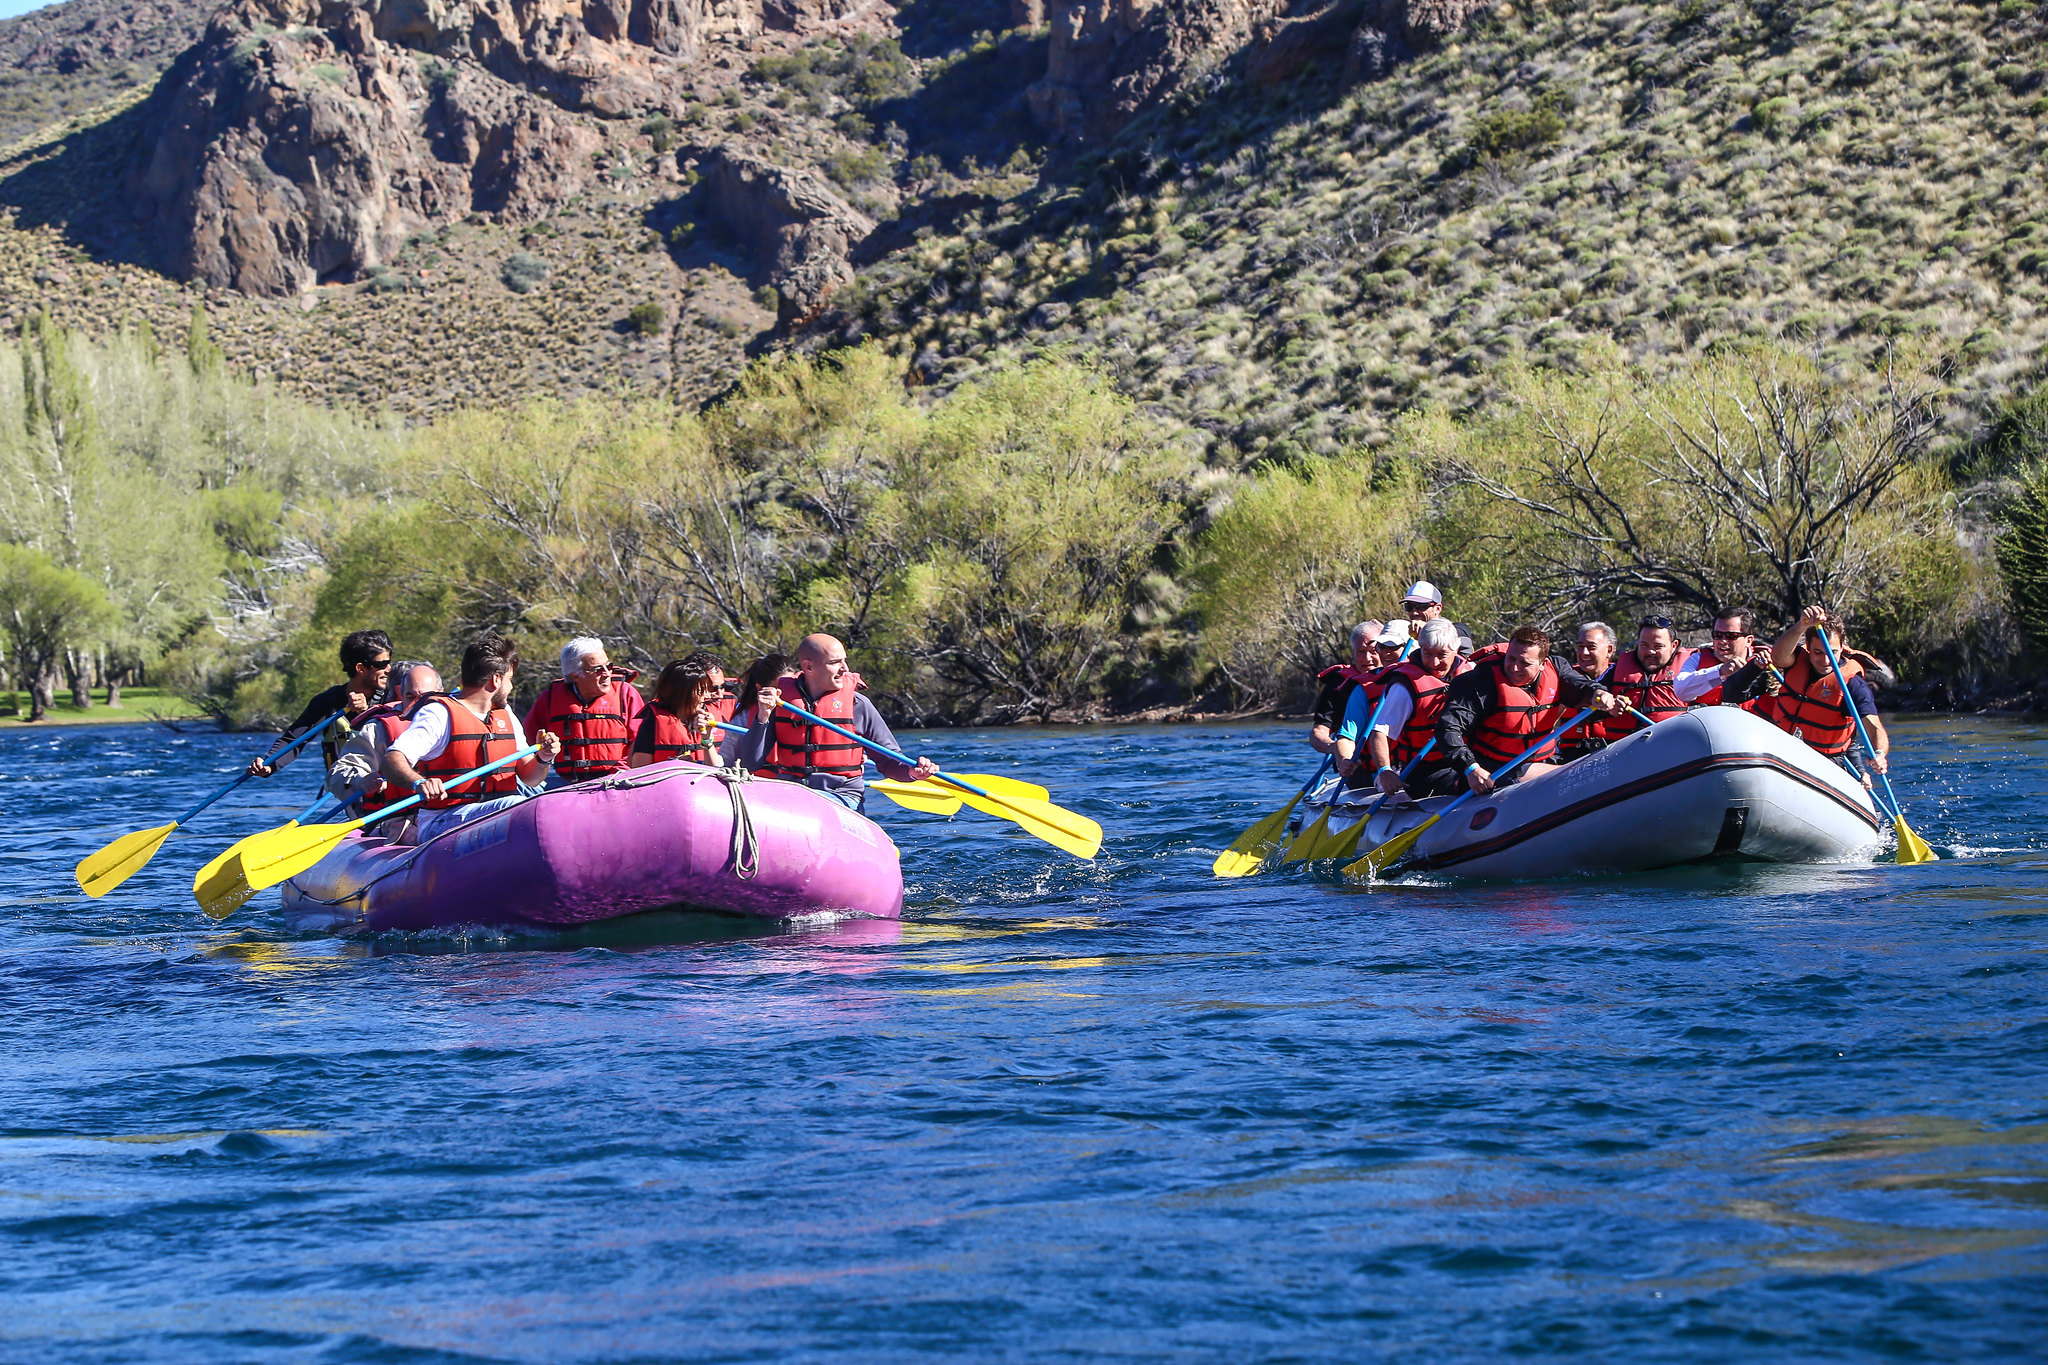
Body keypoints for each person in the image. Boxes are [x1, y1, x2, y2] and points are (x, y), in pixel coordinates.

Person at [382, 633, 560, 842]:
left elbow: (530, 778)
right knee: (515, 806)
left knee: (530, 804)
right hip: (442, 820)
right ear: (496, 679)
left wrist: (544, 757)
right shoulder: (439, 714)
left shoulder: (505, 715)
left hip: (494, 816)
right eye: (509, 679)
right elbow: (392, 759)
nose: (511, 687)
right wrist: (419, 782)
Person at [731, 634, 937, 813]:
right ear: (808, 666)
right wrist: (763, 718)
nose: (844, 669)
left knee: (810, 806)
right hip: (792, 794)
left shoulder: (858, 705)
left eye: (844, 661)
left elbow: (889, 761)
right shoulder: (781, 703)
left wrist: (912, 772)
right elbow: (750, 763)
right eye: (835, 662)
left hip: (843, 797)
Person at [1437, 626, 1624, 795]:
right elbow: (1448, 728)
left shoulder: (1556, 669)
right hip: (1493, 771)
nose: (1514, 667)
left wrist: (1598, 693)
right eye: (1511, 658)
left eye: (1525, 663)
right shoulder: (1481, 682)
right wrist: (1470, 767)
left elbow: (1579, 685)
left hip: (1543, 761)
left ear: (1542, 664)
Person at [246, 629, 393, 777]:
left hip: (386, 782)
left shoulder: (394, 696)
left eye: (389, 662)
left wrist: (365, 713)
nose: (389, 669)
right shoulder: (328, 701)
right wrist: (269, 764)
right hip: (345, 783)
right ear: (360, 668)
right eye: (382, 664)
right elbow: (294, 740)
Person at [1766, 606, 1889, 780]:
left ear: (1842, 648)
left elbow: (1874, 726)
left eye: (1832, 652)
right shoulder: (1797, 660)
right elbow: (1777, 657)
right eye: (1818, 652)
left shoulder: (1853, 685)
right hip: (1782, 749)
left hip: (1827, 761)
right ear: (1808, 647)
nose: (1825, 660)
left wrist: (1880, 753)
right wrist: (1801, 626)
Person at [1359, 619, 1473, 800]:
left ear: (1456, 649)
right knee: (1469, 782)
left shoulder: (1471, 673)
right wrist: (1385, 771)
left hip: (1467, 760)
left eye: (1442, 655)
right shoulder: (1405, 687)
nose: (1434, 662)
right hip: (1425, 771)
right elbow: (1379, 732)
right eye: (1427, 653)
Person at [522, 636, 647, 787]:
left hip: (617, 781)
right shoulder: (550, 698)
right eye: (597, 670)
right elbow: (527, 743)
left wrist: (619, 774)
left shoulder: (626, 693)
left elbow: (642, 742)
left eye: (608, 666)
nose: (607, 673)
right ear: (575, 675)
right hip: (564, 783)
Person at [325, 662, 442, 812]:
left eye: (426, 697)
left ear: (441, 693)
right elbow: (337, 774)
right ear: (401, 693)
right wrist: (361, 779)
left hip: (453, 811)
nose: (418, 705)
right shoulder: (378, 728)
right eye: (411, 696)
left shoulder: (456, 718)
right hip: (401, 819)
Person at [1331, 620, 1412, 788]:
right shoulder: (1365, 689)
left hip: (1417, 767)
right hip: (1380, 773)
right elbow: (1346, 737)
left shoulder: (1431, 681)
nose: (1387, 653)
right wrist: (1345, 760)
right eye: (1382, 647)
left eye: (1393, 647)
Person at [629, 651, 728, 769]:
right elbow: (639, 770)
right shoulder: (654, 721)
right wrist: (674, 765)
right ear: (681, 694)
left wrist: (707, 738)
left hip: (703, 780)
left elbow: (716, 770)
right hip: (668, 780)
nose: (706, 696)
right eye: (700, 692)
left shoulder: (708, 717)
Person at [1605, 615, 1696, 737]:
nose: (1650, 652)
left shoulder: (1691, 669)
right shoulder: (1615, 670)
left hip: (1671, 743)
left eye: (1658, 646)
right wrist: (1609, 706)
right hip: (1623, 745)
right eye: (1644, 645)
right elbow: (1591, 695)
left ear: (1674, 646)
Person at [1310, 621, 1383, 757]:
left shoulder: (1397, 678)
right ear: (1353, 652)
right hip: (1357, 759)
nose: (1367, 658)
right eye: (1361, 652)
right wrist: (1336, 747)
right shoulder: (1339, 685)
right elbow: (1319, 731)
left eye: (1373, 651)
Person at [1557, 621, 1619, 761]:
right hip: (1570, 756)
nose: (1584, 653)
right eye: (1580, 647)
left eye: (1591, 647)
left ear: (1609, 650)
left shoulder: (1624, 679)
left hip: (1614, 753)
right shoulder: (1565, 679)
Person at [724, 653, 797, 765]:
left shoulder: (802, 713)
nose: (784, 694)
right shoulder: (743, 718)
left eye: (790, 687)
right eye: (778, 689)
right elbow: (726, 758)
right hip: (756, 775)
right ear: (760, 689)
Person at [1399, 580, 1473, 655]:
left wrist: (1427, 629)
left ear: (1437, 609)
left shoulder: (1459, 630)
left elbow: (1466, 657)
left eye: (1421, 607)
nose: (1414, 612)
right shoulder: (1404, 636)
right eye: (1409, 607)